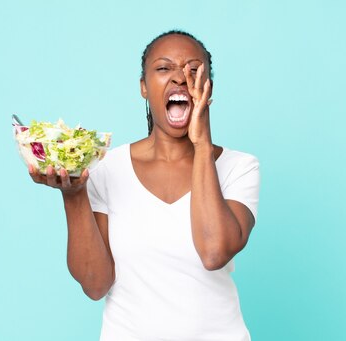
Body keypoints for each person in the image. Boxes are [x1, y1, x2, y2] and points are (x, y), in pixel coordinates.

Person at [28, 30, 260, 341]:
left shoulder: (239, 167)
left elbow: (214, 252)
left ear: (208, 88)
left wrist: (202, 145)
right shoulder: (106, 168)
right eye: (164, 68)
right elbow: (96, 284)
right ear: (144, 87)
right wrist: (74, 194)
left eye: (194, 70)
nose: (180, 78)